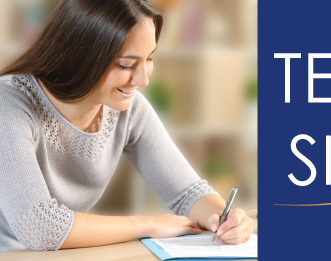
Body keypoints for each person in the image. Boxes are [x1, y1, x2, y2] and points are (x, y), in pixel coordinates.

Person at [0, 0, 253, 252]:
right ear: (81, 55)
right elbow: (40, 228)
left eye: (150, 58)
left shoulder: (128, 109)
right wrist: (146, 224)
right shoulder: (9, 104)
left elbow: (187, 192)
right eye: (126, 64)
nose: (143, 79)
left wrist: (227, 220)